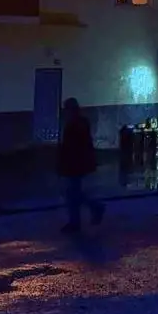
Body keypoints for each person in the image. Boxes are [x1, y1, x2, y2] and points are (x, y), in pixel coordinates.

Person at [57, 97, 105, 234]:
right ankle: (87, 213)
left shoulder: (73, 125)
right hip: (79, 163)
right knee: (74, 193)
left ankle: (77, 220)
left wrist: (63, 165)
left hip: (74, 164)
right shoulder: (81, 122)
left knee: (72, 193)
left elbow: (70, 148)